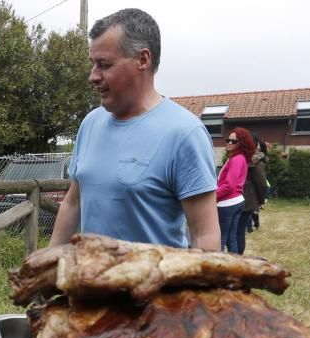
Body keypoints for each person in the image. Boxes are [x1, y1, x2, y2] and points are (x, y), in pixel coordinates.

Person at [48, 8, 219, 251]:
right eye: (92, 64)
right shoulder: (90, 124)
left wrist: (204, 286)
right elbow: (73, 203)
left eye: (104, 65)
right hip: (89, 286)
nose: (92, 76)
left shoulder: (184, 133)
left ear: (143, 59)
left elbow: (204, 234)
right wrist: (45, 265)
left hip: (156, 288)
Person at [216, 128, 254, 253]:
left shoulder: (237, 159)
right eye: (228, 140)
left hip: (228, 203)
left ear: (241, 143)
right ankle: (236, 267)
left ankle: (218, 268)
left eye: (234, 141)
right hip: (236, 201)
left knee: (221, 239)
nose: (229, 143)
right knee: (230, 238)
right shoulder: (239, 157)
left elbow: (229, 185)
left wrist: (212, 197)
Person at [240, 135, 269, 253]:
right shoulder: (249, 159)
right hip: (244, 198)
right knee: (238, 232)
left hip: (247, 199)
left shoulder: (256, 162)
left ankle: (237, 259)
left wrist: (261, 200)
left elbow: (261, 183)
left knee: (239, 232)